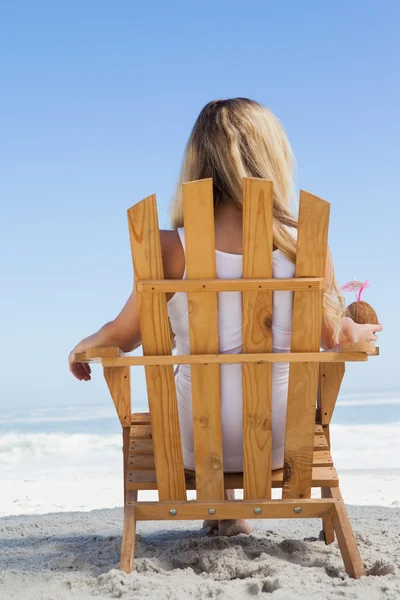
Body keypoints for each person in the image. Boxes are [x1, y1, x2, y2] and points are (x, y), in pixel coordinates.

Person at [69, 98, 382, 536]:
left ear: (196, 163)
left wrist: (84, 346)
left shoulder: (168, 249)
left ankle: (227, 509)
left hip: (192, 448)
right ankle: (237, 509)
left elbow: (122, 335)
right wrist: (359, 330)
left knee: (199, 389)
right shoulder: (306, 246)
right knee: (272, 392)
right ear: (273, 159)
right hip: (280, 445)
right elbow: (338, 337)